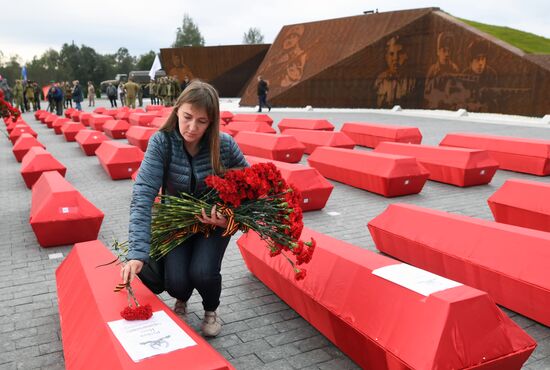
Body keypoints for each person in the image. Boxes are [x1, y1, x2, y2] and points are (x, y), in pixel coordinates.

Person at [121, 80, 248, 337]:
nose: (192, 127)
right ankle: (182, 297)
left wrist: (230, 220)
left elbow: (250, 192)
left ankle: (211, 309)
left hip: (213, 225)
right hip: (177, 223)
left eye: (202, 121)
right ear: (177, 109)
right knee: (176, 282)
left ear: (211, 122)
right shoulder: (162, 143)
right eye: (187, 117)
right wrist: (136, 252)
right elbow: (143, 196)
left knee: (203, 273)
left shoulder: (224, 146)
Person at [373, 36, 416, 108]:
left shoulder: (413, 81)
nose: (395, 58)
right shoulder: (380, 81)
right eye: (391, 54)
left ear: (406, 55)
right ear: (386, 57)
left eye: (400, 53)